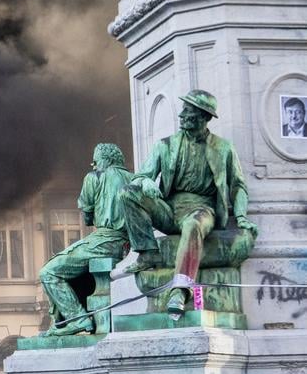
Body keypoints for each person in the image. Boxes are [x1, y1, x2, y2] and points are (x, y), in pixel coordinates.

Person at [121, 89, 256, 317]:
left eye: (188, 111)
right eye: (183, 110)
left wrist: (241, 216)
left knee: (193, 225)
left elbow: (238, 186)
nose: (181, 115)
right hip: (169, 208)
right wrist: (145, 183)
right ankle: (148, 252)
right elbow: (140, 176)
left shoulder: (223, 148)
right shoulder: (165, 145)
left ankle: (181, 289)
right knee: (128, 193)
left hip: (202, 208)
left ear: (203, 117)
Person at [39, 143, 132, 336]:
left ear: (105, 160)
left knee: (49, 272)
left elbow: (87, 215)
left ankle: (78, 319)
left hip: (104, 240)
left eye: (96, 161)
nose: (93, 165)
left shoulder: (95, 177)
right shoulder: (135, 180)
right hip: (126, 246)